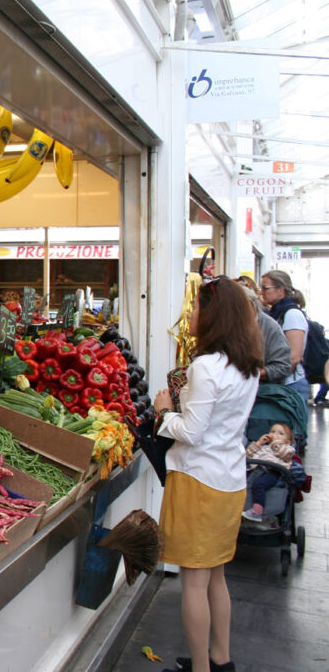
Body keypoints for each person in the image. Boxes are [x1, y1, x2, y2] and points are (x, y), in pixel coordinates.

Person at [154, 276, 263, 672]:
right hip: (230, 479)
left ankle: (201, 668)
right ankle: (220, 659)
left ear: (214, 316)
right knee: (216, 576)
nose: (191, 314)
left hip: (198, 481)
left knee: (194, 583)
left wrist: (165, 412)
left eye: (197, 308)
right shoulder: (248, 366)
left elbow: (192, 433)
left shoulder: (206, 367)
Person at [259, 270, 309, 402]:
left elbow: (294, 358)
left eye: (265, 288)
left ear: (280, 290)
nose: (261, 292)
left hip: (290, 385)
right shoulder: (274, 313)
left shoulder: (292, 314)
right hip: (279, 383)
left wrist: (270, 375)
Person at [235, 278, 291, 383]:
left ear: (249, 305)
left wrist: (248, 374)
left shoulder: (270, 327)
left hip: (261, 392)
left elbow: (282, 366)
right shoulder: (231, 325)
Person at [242, 422, 295, 523]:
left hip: (273, 472)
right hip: (257, 470)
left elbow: (282, 453)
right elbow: (248, 454)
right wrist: (259, 443)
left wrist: (276, 442)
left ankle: (257, 511)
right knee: (243, 482)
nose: (275, 434)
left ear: (288, 441)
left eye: (280, 433)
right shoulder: (265, 447)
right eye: (273, 431)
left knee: (259, 485)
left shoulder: (287, 449)